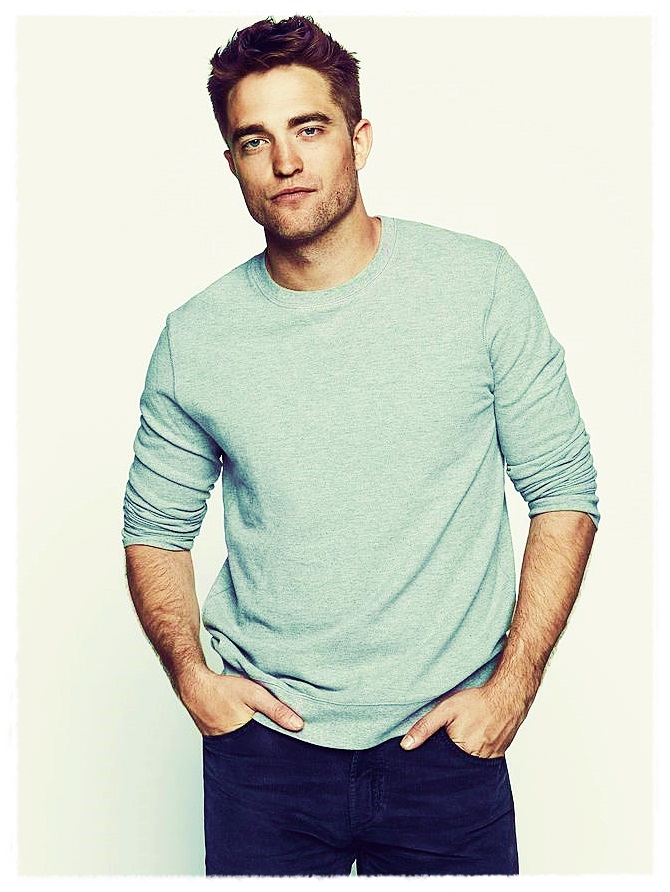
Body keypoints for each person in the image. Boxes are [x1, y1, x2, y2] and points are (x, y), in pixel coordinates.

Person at [122, 14, 599, 877]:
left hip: (447, 751)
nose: (285, 161)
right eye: (255, 140)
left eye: (310, 128)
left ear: (360, 139)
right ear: (232, 163)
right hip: (265, 759)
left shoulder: (478, 286)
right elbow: (155, 528)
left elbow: (564, 492)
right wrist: (194, 678)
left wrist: (512, 689)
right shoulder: (198, 338)